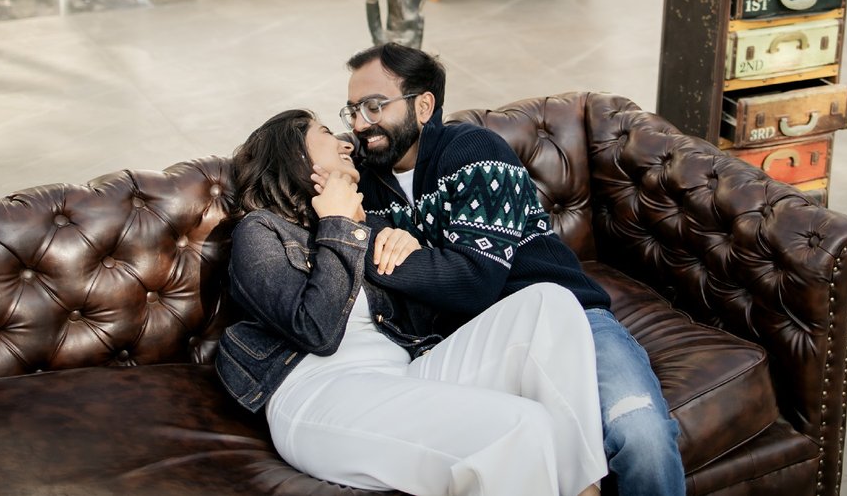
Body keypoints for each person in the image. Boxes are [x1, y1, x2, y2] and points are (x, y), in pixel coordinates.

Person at [330, 44, 688, 496]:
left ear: (423, 106)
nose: (361, 124)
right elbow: (334, 233)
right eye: (352, 110)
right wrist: (368, 231)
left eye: (374, 106)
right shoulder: (358, 179)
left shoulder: (473, 150)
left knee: (643, 439)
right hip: (474, 350)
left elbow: (473, 281)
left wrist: (372, 241)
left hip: (571, 322)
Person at [216, 108, 607, 496]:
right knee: (522, 424)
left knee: (548, 301)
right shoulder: (261, 230)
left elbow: (431, 317)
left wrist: (413, 249)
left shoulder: (368, 224)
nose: (345, 142)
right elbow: (316, 331)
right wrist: (339, 225)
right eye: (325, 133)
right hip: (321, 395)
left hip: (405, 373)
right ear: (295, 155)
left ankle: (585, 489)